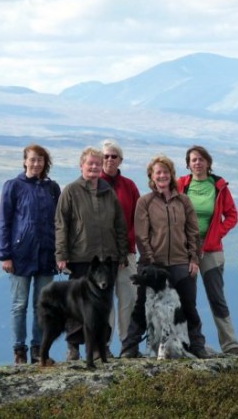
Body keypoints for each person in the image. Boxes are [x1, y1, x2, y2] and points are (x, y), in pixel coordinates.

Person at [55, 146, 128, 361]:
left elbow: (120, 224)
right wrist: (61, 254)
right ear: (82, 166)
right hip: (80, 258)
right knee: (78, 305)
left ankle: (100, 347)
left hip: (107, 260)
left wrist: (122, 254)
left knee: (103, 307)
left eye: (97, 163)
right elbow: (61, 224)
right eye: (90, 163)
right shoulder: (70, 191)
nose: (94, 167)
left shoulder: (108, 192)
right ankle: (74, 348)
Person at [133, 154, 209, 359]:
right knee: (143, 306)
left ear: (172, 175)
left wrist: (194, 259)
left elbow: (193, 232)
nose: (162, 176)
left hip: (181, 263)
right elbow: (141, 234)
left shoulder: (183, 201)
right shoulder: (145, 202)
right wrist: (150, 262)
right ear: (151, 176)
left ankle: (197, 346)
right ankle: (130, 347)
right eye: (158, 172)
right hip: (153, 266)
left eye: (166, 172)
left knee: (188, 305)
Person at [0, 144, 61, 365]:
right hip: (20, 255)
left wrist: (59, 251)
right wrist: (4, 254)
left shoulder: (52, 189)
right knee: (19, 305)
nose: (36, 164)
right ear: (25, 161)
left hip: (46, 254)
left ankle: (38, 350)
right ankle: (19, 351)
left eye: (40, 160)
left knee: (42, 305)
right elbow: (4, 222)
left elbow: (59, 223)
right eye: (32, 159)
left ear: (45, 163)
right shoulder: (13, 186)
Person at [177, 145, 238, 355]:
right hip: (185, 250)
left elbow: (232, 215)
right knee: (187, 298)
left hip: (211, 250)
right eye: (193, 160)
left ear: (208, 162)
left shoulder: (219, 186)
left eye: (201, 159)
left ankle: (230, 345)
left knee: (216, 297)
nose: (197, 163)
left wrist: (216, 234)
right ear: (188, 164)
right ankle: (188, 344)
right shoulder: (181, 185)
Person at [100, 139, 141, 352]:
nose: (109, 160)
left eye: (113, 156)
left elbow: (138, 218)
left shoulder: (129, 186)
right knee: (104, 301)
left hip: (127, 253)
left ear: (120, 160)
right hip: (101, 255)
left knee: (129, 298)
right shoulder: (94, 184)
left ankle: (128, 342)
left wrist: (128, 246)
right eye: (105, 156)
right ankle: (104, 345)